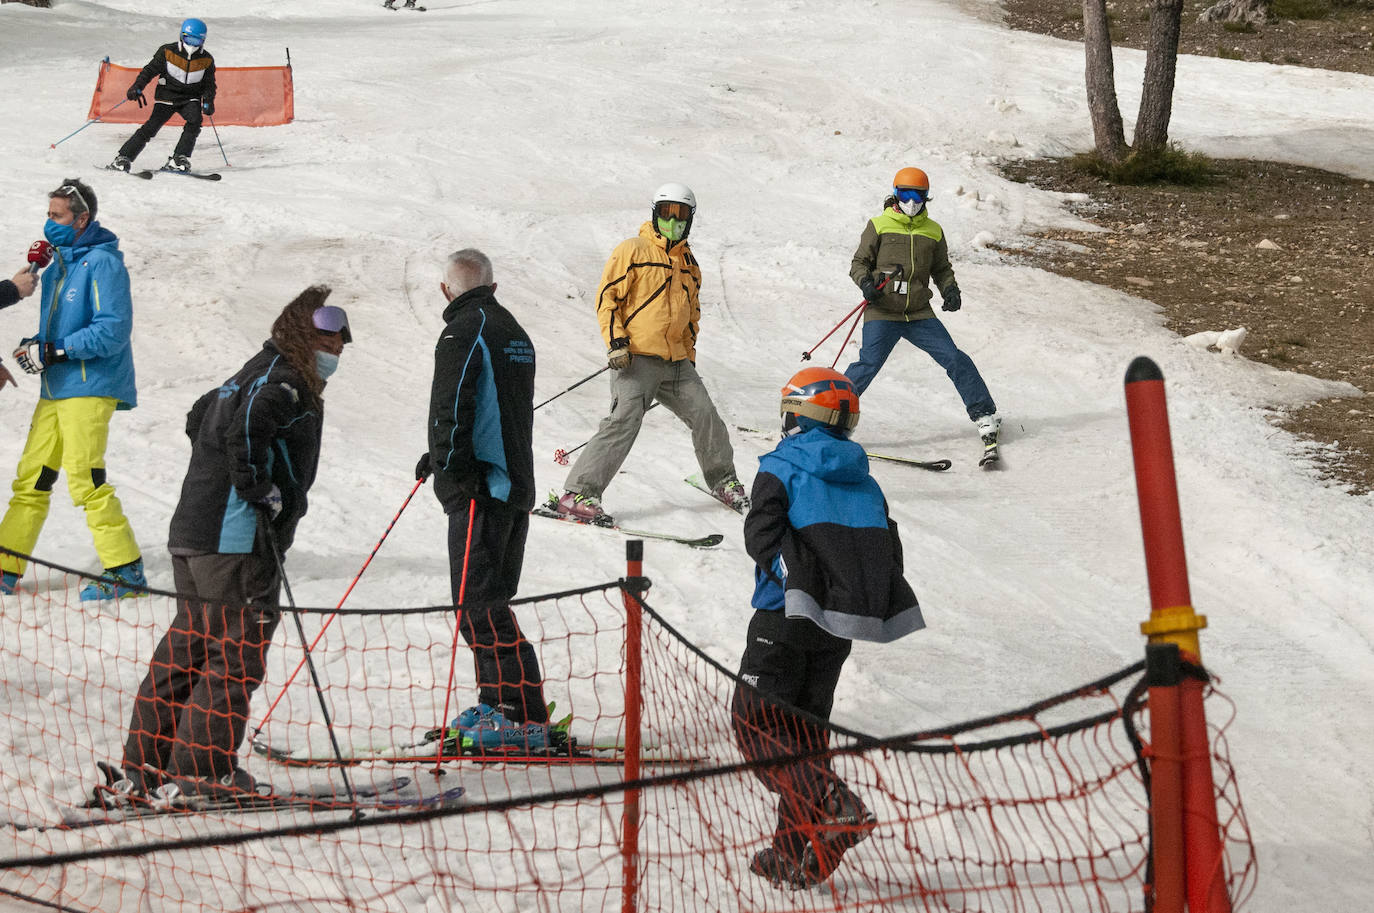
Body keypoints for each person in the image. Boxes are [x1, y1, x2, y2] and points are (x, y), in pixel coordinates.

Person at [109, 287, 350, 803]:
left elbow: (199, 418)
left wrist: (224, 478)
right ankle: (203, 772)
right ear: (300, 332)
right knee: (234, 656)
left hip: (195, 534)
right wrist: (257, 488)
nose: (336, 349)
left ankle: (148, 767)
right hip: (234, 542)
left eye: (340, 341)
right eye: (328, 338)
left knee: (189, 649)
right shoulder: (283, 382)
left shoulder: (247, 373)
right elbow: (246, 428)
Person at [732, 367, 925, 889]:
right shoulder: (866, 481)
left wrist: (795, 584)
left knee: (754, 724)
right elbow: (887, 550)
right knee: (804, 736)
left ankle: (832, 801)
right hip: (835, 629)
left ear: (797, 415)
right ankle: (794, 853)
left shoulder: (780, 466)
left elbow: (761, 536)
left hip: (782, 619)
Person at [414, 249, 552, 750]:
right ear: (492, 285)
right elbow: (496, 407)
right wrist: (441, 454)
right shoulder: (513, 330)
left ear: (445, 289)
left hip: (481, 488)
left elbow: (452, 403)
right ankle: (499, 704)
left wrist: (451, 462)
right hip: (511, 485)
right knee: (490, 603)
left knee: (478, 606)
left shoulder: (463, 330)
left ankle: (519, 715)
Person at [551, 183, 749, 525]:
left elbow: (692, 316)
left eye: (681, 215)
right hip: (635, 358)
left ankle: (723, 481)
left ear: (690, 219)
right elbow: (607, 299)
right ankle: (577, 494)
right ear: (655, 214)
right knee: (624, 421)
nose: (673, 221)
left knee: (706, 416)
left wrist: (688, 356)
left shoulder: (689, 264)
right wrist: (616, 342)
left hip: (676, 363)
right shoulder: (633, 250)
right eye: (666, 213)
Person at [0, 179, 146, 600]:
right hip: (56, 387)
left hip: (90, 386)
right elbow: (59, 333)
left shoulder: (103, 264)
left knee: (85, 478)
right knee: (31, 478)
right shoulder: (56, 268)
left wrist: (55, 350)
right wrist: (36, 347)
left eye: (58, 216)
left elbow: (112, 331)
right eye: (48, 215)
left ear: (81, 219)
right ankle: (6, 565)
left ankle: (126, 571)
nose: (50, 223)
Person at [845, 167, 1002, 452]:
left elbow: (941, 269)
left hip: (918, 312)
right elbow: (859, 263)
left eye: (917, 195)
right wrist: (866, 283)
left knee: (954, 358)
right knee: (868, 364)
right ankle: (828, 418)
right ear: (895, 194)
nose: (911, 201)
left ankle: (984, 414)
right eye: (905, 194)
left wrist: (950, 290)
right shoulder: (878, 225)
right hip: (883, 310)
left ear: (926, 197)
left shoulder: (933, 230)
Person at [108, 18, 216, 174]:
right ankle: (123, 158)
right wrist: (137, 86)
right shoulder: (167, 51)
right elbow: (149, 71)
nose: (192, 45)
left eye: (196, 41)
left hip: (189, 98)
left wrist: (208, 101)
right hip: (166, 96)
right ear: (182, 36)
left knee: (195, 120)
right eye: (188, 39)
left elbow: (209, 84)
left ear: (203, 41)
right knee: (151, 127)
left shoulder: (206, 60)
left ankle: (179, 158)